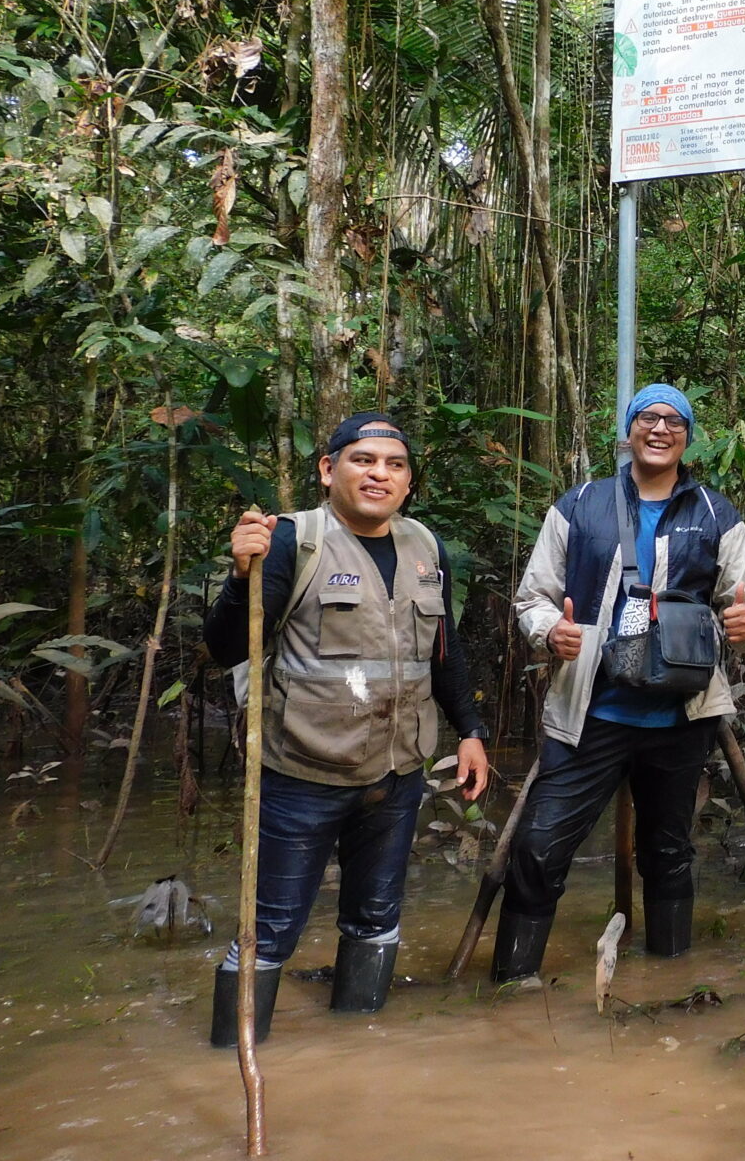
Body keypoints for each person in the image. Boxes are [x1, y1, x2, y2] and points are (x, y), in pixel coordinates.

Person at [203, 412, 490, 1044]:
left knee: (377, 918)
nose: (379, 474)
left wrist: (470, 730)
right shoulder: (291, 541)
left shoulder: (425, 546)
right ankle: (232, 1053)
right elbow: (226, 648)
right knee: (271, 926)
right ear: (329, 469)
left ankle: (361, 1049)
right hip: (304, 770)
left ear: (408, 483)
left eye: (394, 465)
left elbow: (443, 649)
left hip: (398, 772)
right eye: (363, 460)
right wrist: (237, 578)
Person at [495, 384, 745, 979]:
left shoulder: (714, 514)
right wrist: (552, 634)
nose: (659, 429)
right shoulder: (581, 505)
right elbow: (533, 598)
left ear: (688, 437)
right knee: (538, 848)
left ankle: (668, 978)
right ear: (628, 429)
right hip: (590, 712)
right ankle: (510, 987)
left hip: (679, 716)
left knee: (668, 853)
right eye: (648, 417)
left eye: (675, 421)